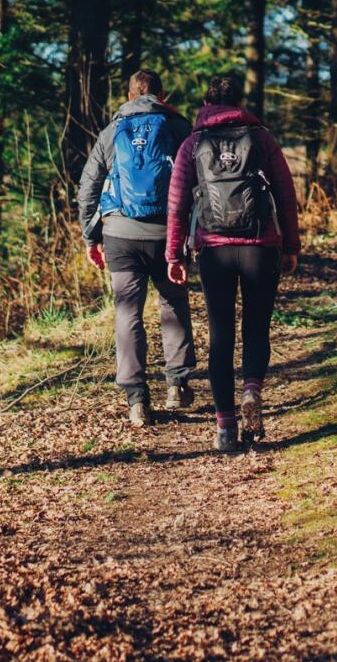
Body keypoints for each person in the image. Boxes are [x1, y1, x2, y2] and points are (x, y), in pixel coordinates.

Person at [166, 74, 300, 452]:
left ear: (206, 104)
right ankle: (252, 390)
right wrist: (292, 245)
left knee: (221, 334)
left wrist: (174, 254)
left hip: (214, 249)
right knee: (256, 328)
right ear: (239, 102)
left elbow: (177, 204)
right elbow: (286, 194)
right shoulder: (260, 137)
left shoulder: (193, 143)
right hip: (261, 246)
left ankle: (225, 427)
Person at [78, 68, 196, 427]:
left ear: (130, 96)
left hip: (120, 235)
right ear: (161, 96)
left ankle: (136, 399)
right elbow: (197, 181)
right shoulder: (177, 128)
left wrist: (90, 236)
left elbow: (88, 188)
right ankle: (177, 385)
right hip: (167, 233)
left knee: (128, 312)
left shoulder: (112, 131)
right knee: (173, 302)